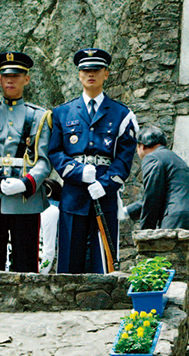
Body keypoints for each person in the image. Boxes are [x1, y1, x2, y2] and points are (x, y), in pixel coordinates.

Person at [49, 48, 138, 273]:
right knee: (69, 258)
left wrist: (106, 183)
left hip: (103, 193)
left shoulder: (121, 114)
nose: (91, 74)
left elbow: (125, 157)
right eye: (86, 70)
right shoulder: (62, 113)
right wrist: (77, 171)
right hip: (73, 193)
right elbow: (55, 151)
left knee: (105, 258)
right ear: (79, 75)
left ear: (106, 74)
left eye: (96, 70)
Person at [0, 52, 52, 272]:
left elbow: (44, 161)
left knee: (26, 263)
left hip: (25, 199)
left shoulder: (39, 116)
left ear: (27, 79)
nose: (10, 80)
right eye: (6, 75)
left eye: (16, 75)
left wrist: (26, 183)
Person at [126, 126, 189, 309]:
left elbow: (152, 197)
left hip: (177, 223)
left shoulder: (152, 158)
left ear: (141, 146)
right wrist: (128, 211)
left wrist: (146, 235)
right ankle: (187, 323)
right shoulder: (174, 158)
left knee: (171, 280)